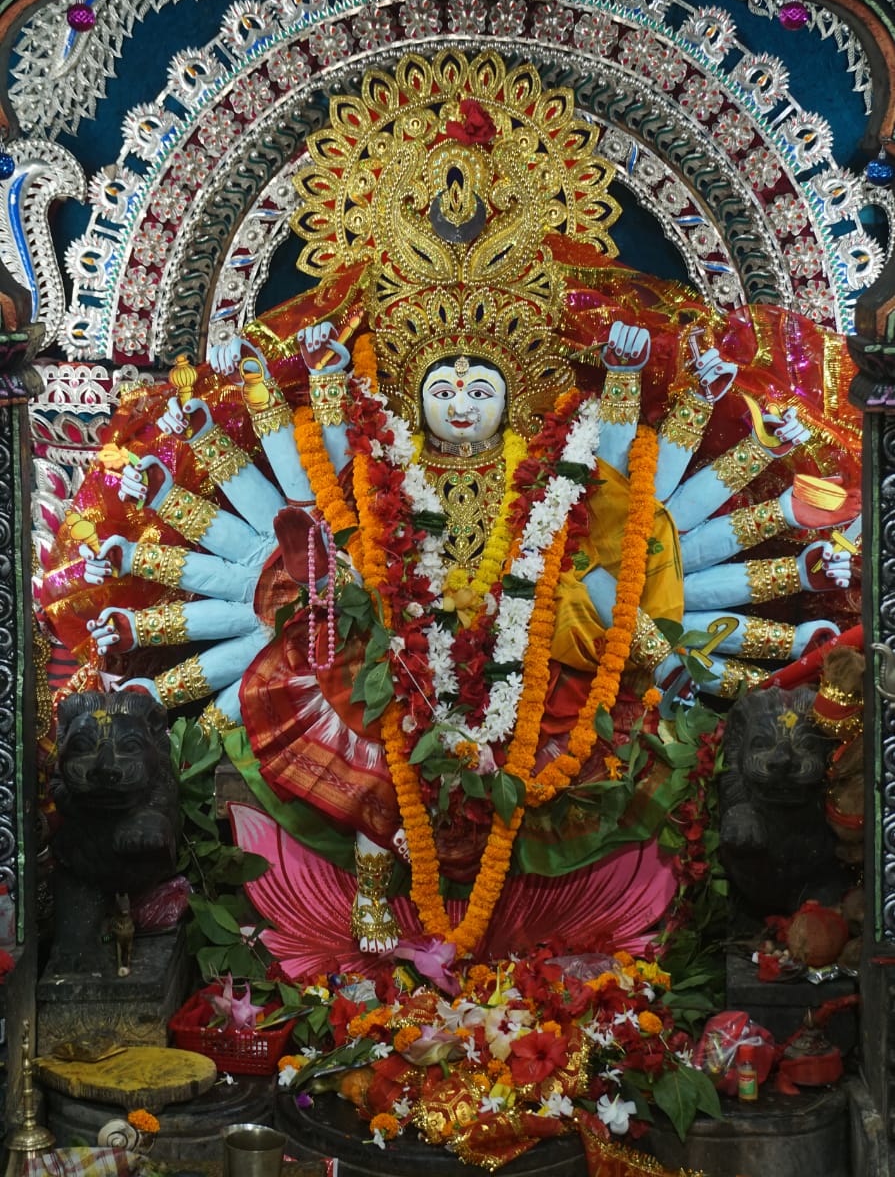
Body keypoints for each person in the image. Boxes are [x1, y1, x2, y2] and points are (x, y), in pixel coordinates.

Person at [43, 50, 861, 958]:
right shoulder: (380, 471)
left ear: (514, 397)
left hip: (537, 665)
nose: (462, 401)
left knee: (602, 741)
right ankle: (375, 895)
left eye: (480, 386)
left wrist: (552, 604)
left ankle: (565, 926)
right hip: (398, 660)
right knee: (365, 728)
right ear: (411, 397)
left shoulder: (553, 474)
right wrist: (371, 608)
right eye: (442, 387)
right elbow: (335, 547)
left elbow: (624, 542)